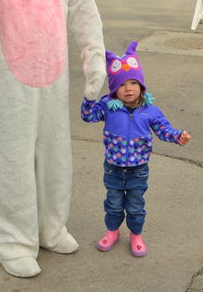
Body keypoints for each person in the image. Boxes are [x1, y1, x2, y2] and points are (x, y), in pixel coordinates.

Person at [81, 41, 191, 257]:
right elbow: (88, 116)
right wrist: (89, 97)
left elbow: (163, 129)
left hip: (138, 170)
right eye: (122, 84)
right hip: (113, 168)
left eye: (133, 83)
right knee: (113, 204)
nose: (128, 88)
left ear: (141, 85)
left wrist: (177, 136)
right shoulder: (107, 106)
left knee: (135, 206)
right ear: (114, 88)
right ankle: (112, 232)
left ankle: (136, 234)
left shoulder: (150, 110)